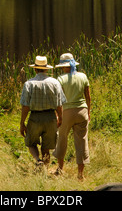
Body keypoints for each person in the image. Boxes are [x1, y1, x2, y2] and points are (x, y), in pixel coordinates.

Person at [20, 55, 66, 166]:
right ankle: (45, 169)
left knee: (30, 142)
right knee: (46, 147)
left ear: (35, 69)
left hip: (35, 117)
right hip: (50, 117)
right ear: (46, 69)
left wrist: (22, 122)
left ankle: (38, 160)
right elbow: (59, 104)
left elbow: (25, 106)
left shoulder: (29, 84)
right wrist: (60, 118)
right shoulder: (55, 83)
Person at [53, 52, 91, 180]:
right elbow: (88, 96)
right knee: (81, 141)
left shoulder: (60, 79)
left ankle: (60, 169)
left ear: (63, 66)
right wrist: (88, 111)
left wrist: (58, 116)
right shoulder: (83, 76)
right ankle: (80, 174)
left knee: (62, 138)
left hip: (67, 112)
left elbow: (59, 100)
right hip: (82, 111)